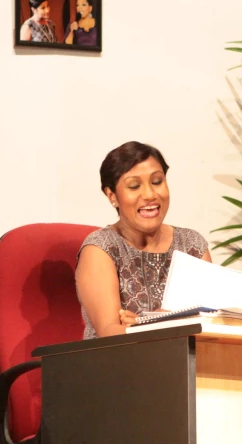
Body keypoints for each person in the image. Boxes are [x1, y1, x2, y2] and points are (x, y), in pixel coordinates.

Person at [75, 141, 211, 339]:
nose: (149, 194)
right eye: (134, 186)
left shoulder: (192, 245)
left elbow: (210, 321)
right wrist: (177, 320)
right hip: (116, 364)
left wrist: (146, 322)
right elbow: (110, 333)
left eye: (157, 182)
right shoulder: (101, 248)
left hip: (189, 361)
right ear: (112, 196)